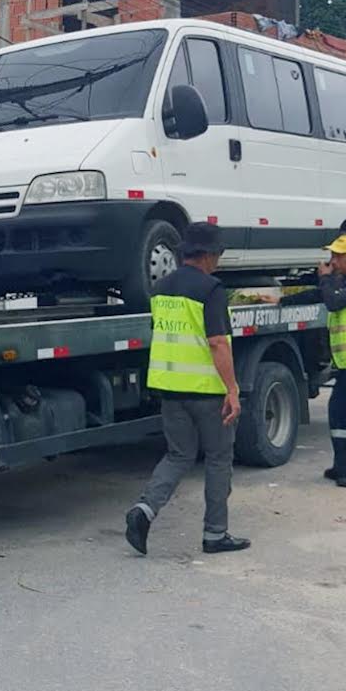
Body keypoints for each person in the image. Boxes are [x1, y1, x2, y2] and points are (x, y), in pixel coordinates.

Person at [125, 221, 250, 556]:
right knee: (219, 458)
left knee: (178, 455)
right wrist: (233, 389)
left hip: (170, 388)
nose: (219, 260)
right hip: (207, 391)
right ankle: (215, 534)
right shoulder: (211, 289)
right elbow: (217, 343)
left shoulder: (161, 288)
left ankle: (144, 510)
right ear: (208, 255)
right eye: (219, 254)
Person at [280, 234, 346, 487]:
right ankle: (343, 465)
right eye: (332, 256)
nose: (332, 261)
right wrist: (283, 301)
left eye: (338, 256)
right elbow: (320, 294)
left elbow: (334, 302)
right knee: (338, 413)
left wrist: (326, 278)